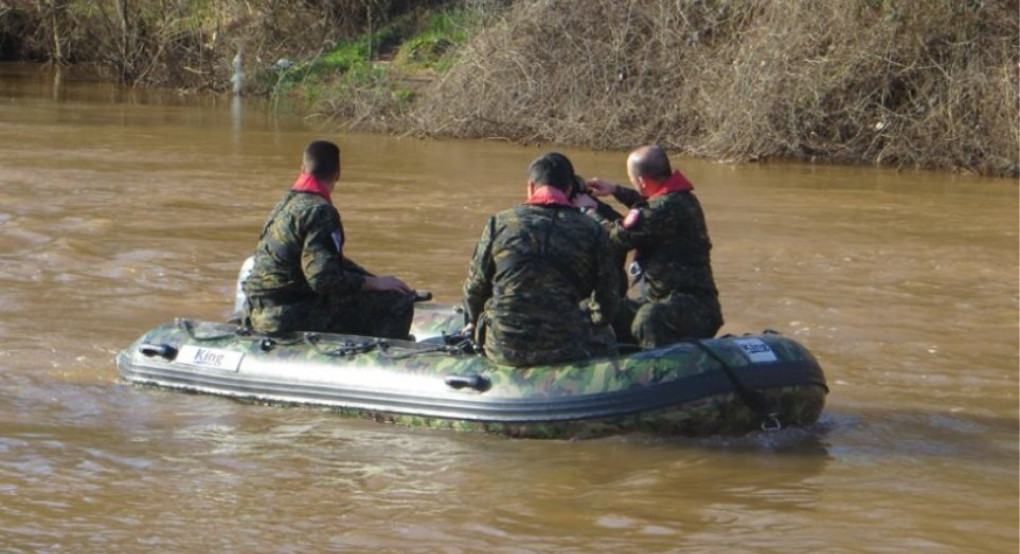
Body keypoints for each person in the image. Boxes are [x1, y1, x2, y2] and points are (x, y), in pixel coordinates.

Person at [242, 140, 415, 338]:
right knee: (397, 303)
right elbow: (323, 279)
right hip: (286, 316)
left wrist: (374, 279)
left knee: (374, 291)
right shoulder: (321, 211)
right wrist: (372, 284)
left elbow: (327, 261)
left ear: (302, 169)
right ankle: (379, 360)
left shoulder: (286, 204)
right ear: (338, 174)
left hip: (256, 311)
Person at [462, 153, 621, 367]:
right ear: (568, 189)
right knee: (607, 334)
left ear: (530, 187)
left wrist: (472, 321)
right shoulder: (592, 230)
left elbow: (475, 287)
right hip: (567, 349)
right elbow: (608, 301)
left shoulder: (498, 224)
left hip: (502, 348)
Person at [582, 145, 723, 347]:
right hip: (660, 300)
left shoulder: (666, 209)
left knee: (648, 320)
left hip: (692, 306)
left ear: (641, 181)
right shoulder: (680, 198)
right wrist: (615, 190)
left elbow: (616, 236)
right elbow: (647, 205)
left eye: (632, 180)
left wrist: (588, 209)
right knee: (603, 311)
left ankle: (658, 372)